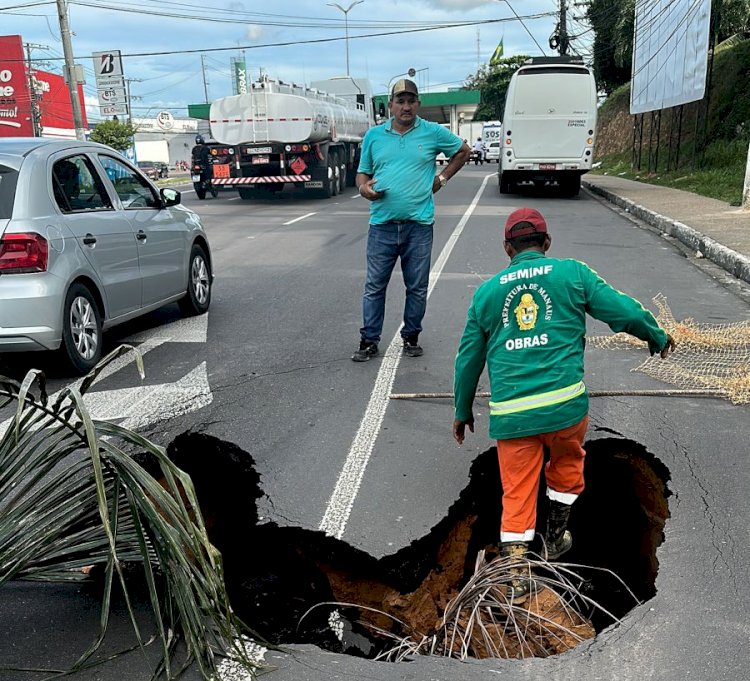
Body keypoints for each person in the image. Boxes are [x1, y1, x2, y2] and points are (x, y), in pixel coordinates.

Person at [452, 207, 675, 601]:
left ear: (508, 248)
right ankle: (554, 535)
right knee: (567, 468)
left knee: (517, 490)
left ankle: (518, 572)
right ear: (547, 243)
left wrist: (462, 409)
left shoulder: (487, 293)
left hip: (513, 415)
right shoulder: (572, 273)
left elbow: (469, 357)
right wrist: (654, 335)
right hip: (565, 409)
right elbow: (622, 310)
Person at [353, 79, 471, 362]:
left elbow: (463, 151)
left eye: (411, 101)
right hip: (381, 224)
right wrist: (364, 189)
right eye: (400, 101)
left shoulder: (431, 133)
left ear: (418, 104)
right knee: (374, 285)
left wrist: (441, 179)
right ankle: (369, 340)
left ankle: (411, 336)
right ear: (391, 105)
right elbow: (362, 172)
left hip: (419, 226)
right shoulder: (374, 136)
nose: (406, 106)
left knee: (416, 286)